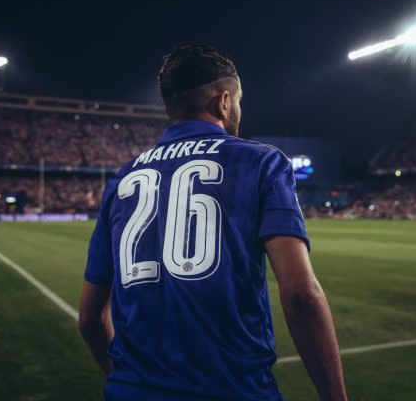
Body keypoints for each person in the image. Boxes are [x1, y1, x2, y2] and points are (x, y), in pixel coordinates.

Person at [78, 45, 347, 401]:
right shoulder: (261, 162)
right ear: (223, 101)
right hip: (234, 390)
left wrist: (123, 379)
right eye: (238, 101)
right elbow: (300, 295)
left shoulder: (123, 179)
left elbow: (90, 317)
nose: (239, 110)